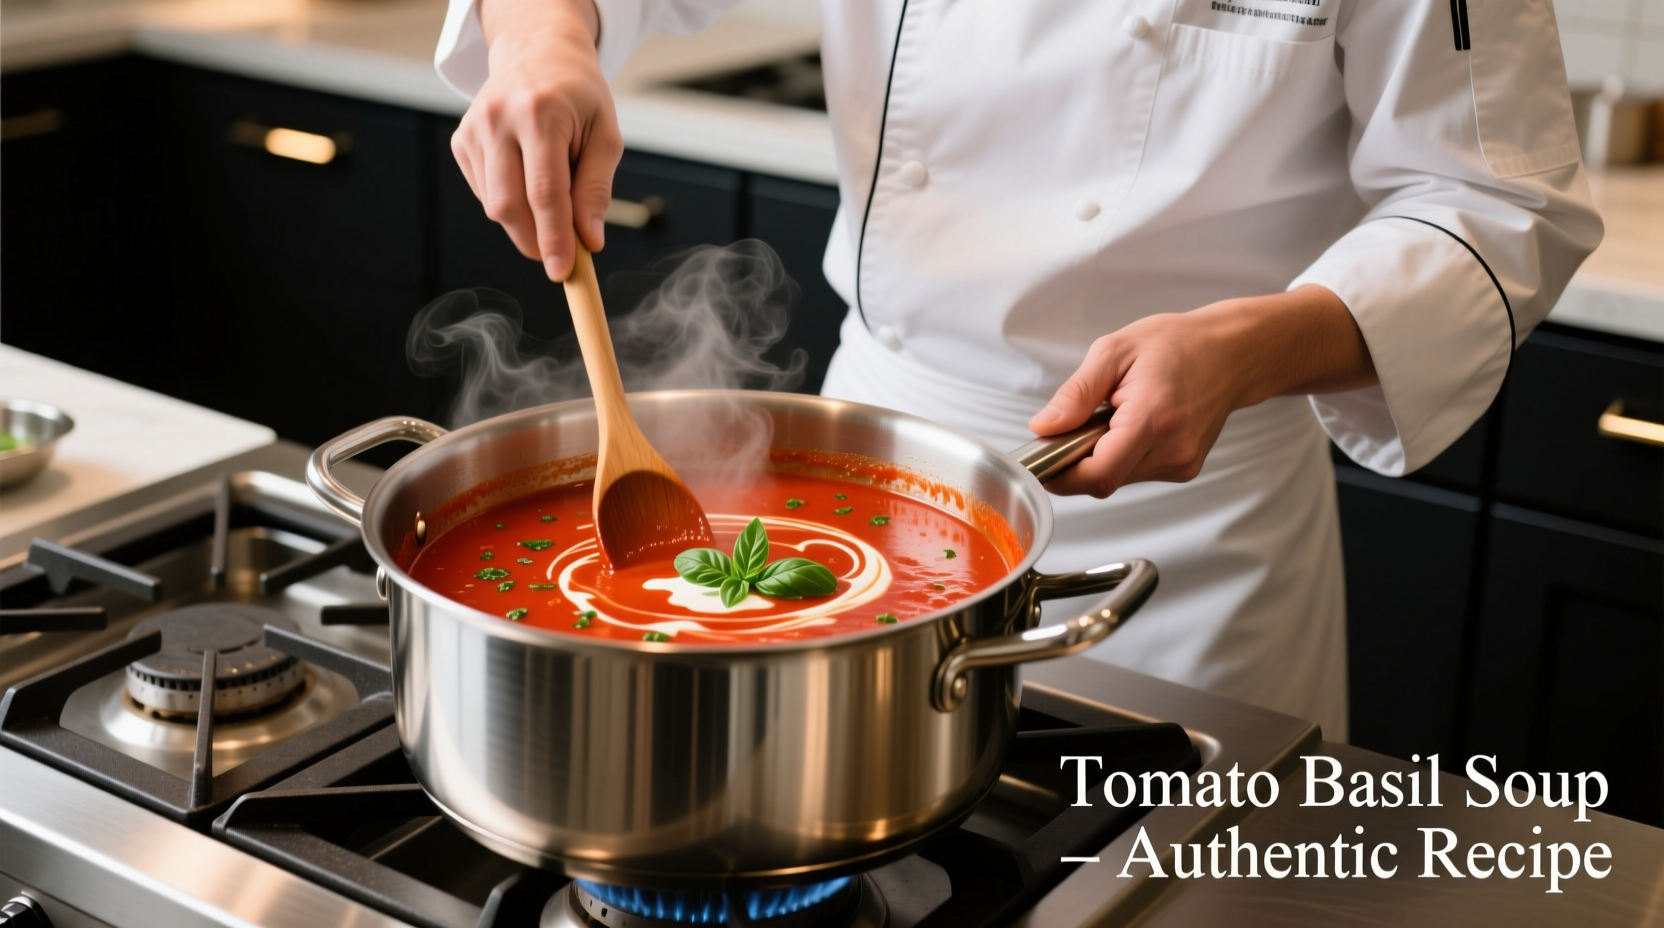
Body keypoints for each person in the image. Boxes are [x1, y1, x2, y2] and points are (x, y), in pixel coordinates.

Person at [433, 0, 1602, 739]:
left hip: (1191, 533)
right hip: (879, 459)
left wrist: (1252, 346)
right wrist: (542, 42)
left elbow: (1496, 201)